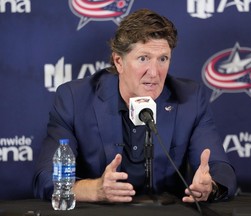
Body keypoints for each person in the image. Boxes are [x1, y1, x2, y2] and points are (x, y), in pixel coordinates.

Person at [33, 8, 237, 204]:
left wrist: (210, 186)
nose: (155, 73)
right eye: (143, 58)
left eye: (163, 59)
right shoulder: (74, 99)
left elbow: (220, 169)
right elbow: (46, 178)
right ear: (118, 61)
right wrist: (95, 190)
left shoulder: (189, 99)